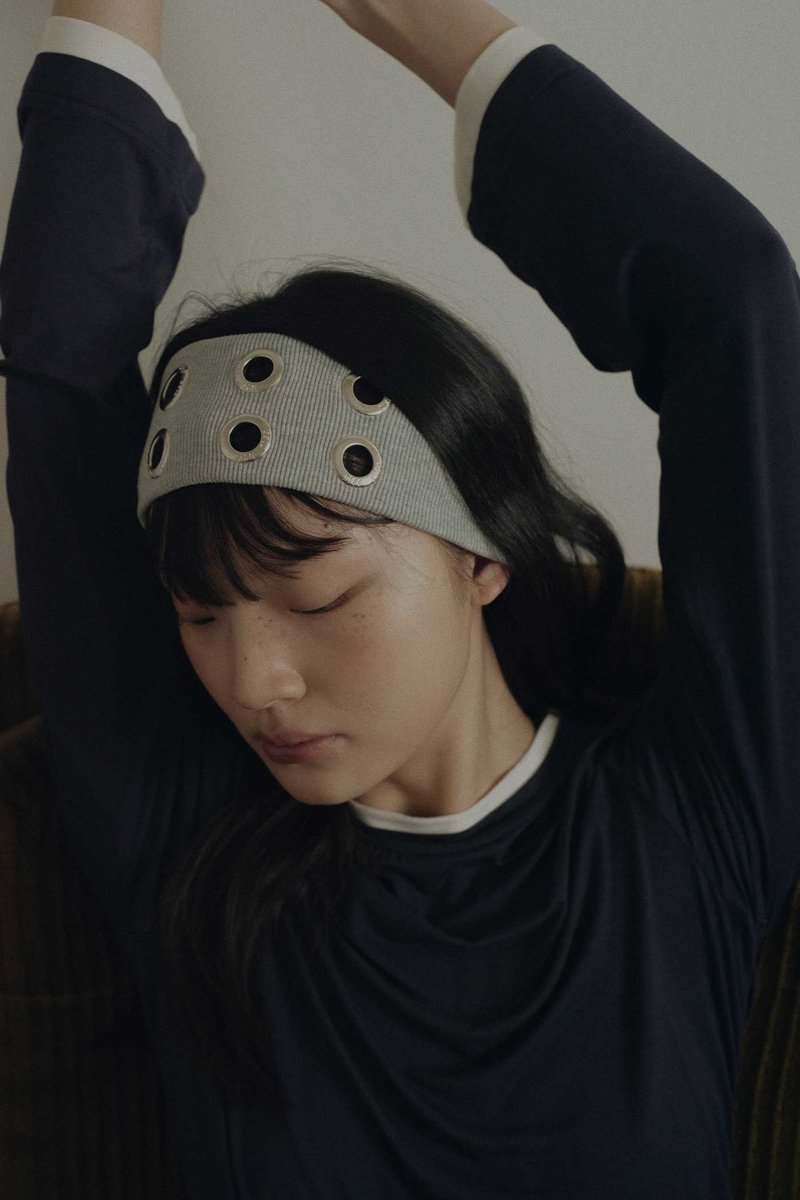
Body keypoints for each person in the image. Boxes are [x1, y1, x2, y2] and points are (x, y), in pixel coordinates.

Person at [2, 1, 798, 1197]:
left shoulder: (691, 817)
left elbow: (731, 296)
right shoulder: (182, 837)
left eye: (317, 596)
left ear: (484, 556)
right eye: (200, 614)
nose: (253, 683)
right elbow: (55, 352)